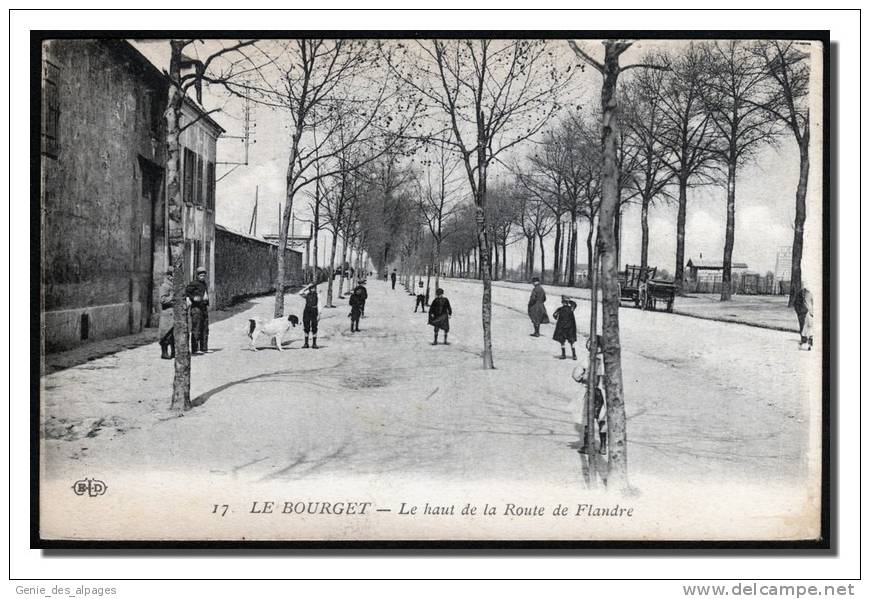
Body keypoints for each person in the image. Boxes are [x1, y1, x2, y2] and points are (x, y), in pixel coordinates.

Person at [571, 354, 607, 455]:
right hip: (602, 393)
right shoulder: (607, 359)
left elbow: (576, 375)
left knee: (587, 418)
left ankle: (587, 446)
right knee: (602, 419)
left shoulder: (587, 360)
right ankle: (603, 446)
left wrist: (582, 379)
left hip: (588, 391)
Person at [185, 266, 210, 354]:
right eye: (201, 275)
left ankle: (204, 348)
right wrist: (193, 298)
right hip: (196, 309)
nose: (202, 277)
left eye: (203, 275)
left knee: (205, 328)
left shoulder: (204, 284)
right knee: (196, 328)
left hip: (203, 308)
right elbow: (186, 292)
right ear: (197, 276)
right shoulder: (193, 283)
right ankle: (195, 349)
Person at [552, 296, 578, 360]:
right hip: (570, 328)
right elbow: (575, 304)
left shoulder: (560, 309)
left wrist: (557, 317)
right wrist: (570, 301)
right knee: (571, 341)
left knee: (562, 341)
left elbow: (554, 315)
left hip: (562, 328)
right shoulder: (571, 309)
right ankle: (574, 355)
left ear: (562, 302)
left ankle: (563, 354)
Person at [157, 268, 175, 360]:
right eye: (172, 275)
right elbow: (162, 300)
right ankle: (164, 353)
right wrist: (172, 297)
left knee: (173, 335)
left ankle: (173, 352)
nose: (174, 277)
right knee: (165, 334)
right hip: (167, 314)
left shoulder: (174, 285)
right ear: (169, 276)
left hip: (174, 314)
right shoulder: (164, 286)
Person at [300, 283, 321, 349]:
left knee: (314, 326)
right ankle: (306, 343)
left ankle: (314, 344)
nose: (313, 289)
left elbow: (320, 304)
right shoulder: (307, 294)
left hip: (314, 311)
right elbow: (300, 293)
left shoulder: (318, 295)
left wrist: (319, 314)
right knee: (306, 326)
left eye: (314, 288)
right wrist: (307, 287)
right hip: (307, 311)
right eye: (311, 288)